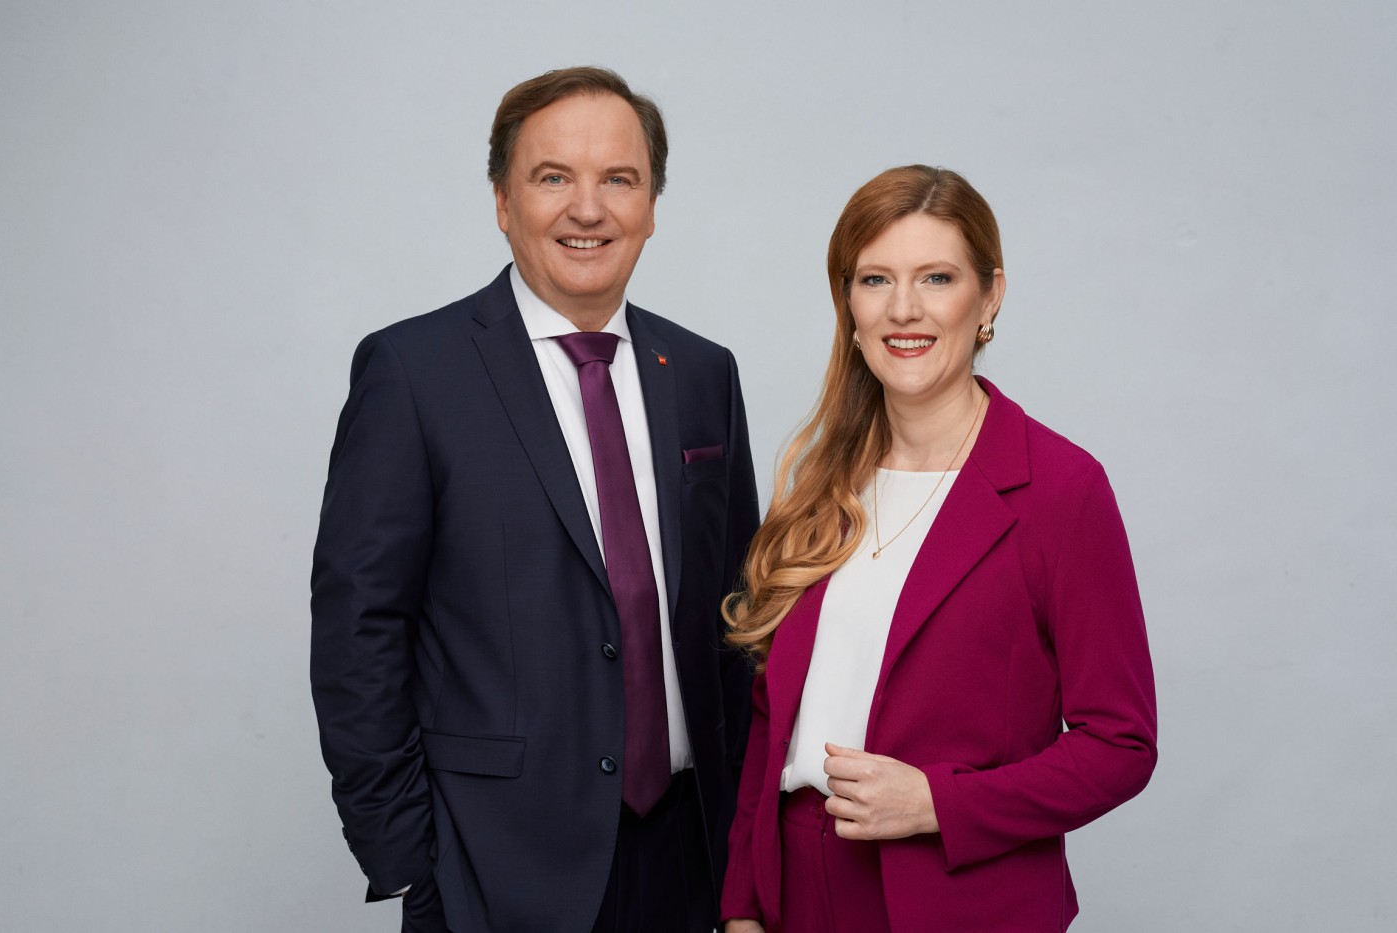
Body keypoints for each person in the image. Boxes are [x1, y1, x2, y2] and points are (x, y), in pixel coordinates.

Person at [310, 66, 759, 933]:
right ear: (502, 201)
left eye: (618, 179)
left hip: (687, 859)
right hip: (491, 867)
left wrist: (744, 845)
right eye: (554, 177)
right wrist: (410, 862)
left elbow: (738, 623)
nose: (588, 209)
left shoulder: (703, 373)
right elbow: (358, 628)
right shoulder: (414, 373)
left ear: (652, 206)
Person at [720, 165, 1156, 932]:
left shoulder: (1062, 490)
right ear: (849, 304)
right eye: (876, 279)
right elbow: (769, 716)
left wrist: (938, 802)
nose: (904, 308)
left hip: (959, 900)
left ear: (989, 298)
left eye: (937, 277)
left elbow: (1121, 744)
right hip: (796, 892)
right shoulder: (820, 484)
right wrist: (743, 908)